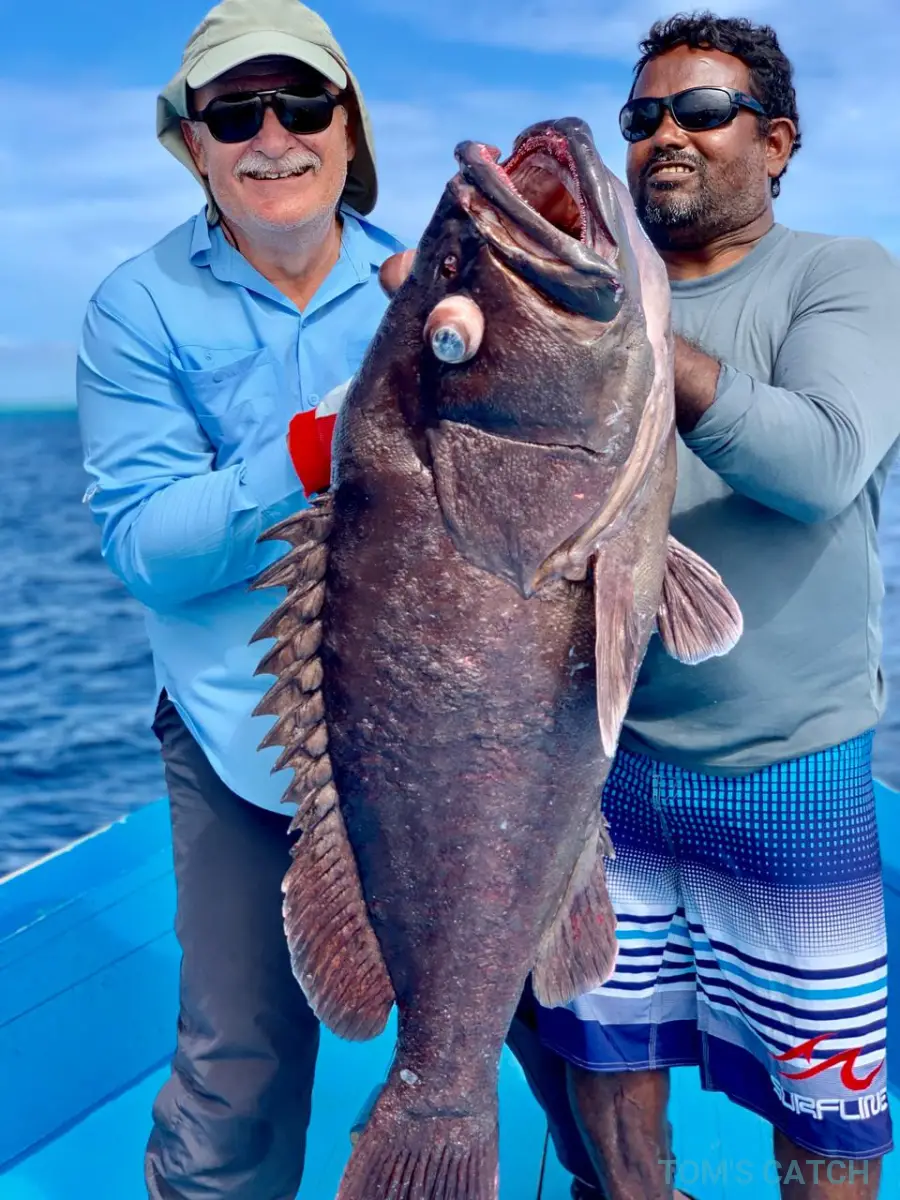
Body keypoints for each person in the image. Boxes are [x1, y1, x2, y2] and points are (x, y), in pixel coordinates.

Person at [75, 1, 612, 1196]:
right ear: (193, 141)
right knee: (238, 1070)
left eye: (303, 104)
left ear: (349, 126)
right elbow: (145, 546)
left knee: (580, 1039)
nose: (274, 136)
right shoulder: (136, 308)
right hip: (241, 739)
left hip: (475, 731)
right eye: (235, 114)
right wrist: (320, 445)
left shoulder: (427, 279)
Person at [531, 12, 900, 1200]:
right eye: (643, 118)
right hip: (605, 764)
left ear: (776, 143)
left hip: (787, 772)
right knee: (606, 1056)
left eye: (701, 110)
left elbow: (821, 461)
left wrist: (635, 335)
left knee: (827, 1112)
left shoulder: (843, 275)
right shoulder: (582, 294)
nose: (666, 136)